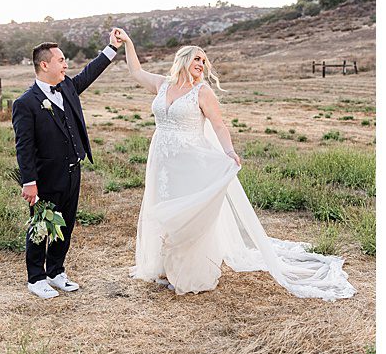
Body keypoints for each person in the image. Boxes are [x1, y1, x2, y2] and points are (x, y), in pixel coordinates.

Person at [116, 29, 355, 300]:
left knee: (186, 216)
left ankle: (188, 273)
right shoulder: (162, 84)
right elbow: (135, 72)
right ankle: (163, 268)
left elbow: (219, 124)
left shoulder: (202, 92)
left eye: (204, 61)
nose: (201, 64)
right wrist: (129, 42)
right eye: (196, 59)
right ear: (182, 59)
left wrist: (229, 151)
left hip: (190, 161)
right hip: (161, 160)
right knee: (162, 209)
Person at [12, 34, 121, 299]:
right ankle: (36, 278)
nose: (66, 65)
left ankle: (56, 272)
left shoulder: (68, 87)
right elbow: (24, 147)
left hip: (74, 170)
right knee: (41, 225)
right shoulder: (25, 103)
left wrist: (113, 47)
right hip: (45, 176)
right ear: (44, 65)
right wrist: (29, 182)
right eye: (61, 60)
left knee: (66, 223)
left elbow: (90, 72)